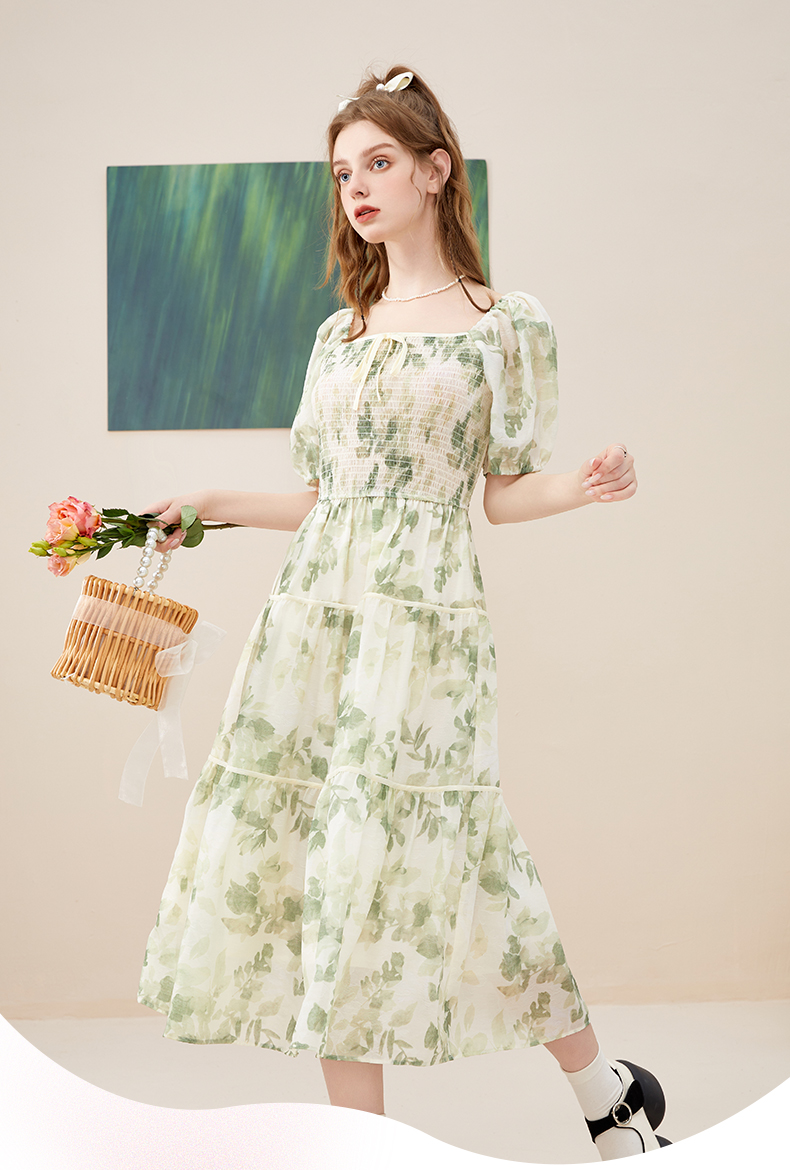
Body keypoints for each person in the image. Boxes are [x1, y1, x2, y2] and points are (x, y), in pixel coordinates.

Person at [137, 66, 670, 1160]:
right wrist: (207, 503)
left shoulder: (504, 325)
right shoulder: (339, 336)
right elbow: (326, 502)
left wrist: (582, 484)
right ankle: (365, 1148)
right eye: (343, 174)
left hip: (426, 626)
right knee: (329, 865)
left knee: (460, 849)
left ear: (435, 171)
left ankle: (604, 1092)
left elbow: (497, 495)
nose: (358, 189)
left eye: (378, 163)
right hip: (316, 624)